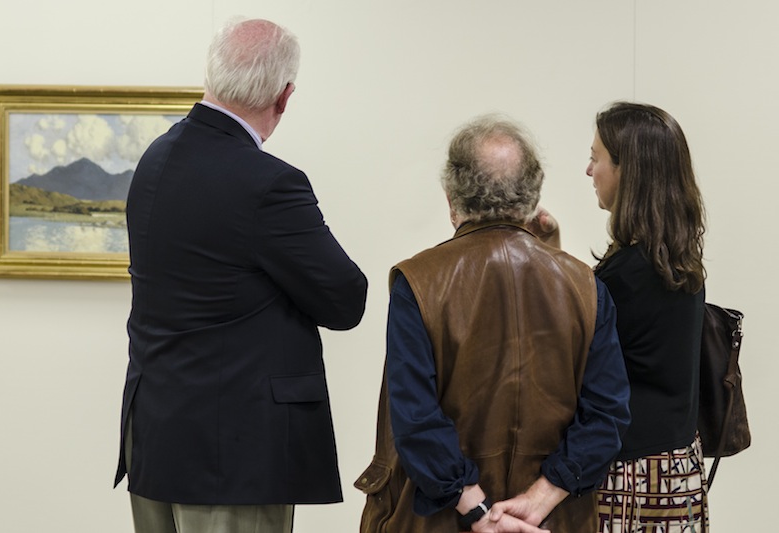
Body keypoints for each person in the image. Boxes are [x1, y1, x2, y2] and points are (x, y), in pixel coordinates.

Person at [113, 18, 368, 533]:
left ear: (212, 73)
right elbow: (346, 301)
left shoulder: (155, 158)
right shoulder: (268, 183)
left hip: (156, 438)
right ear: (285, 96)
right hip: (232, 454)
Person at [355, 115, 631, 532]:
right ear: (533, 195)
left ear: (452, 196)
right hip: (553, 521)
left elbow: (415, 417)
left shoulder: (418, 281)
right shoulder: (586, 287)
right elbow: (607, 415)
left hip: (440, 520)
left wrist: (480, 511)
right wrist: (537, 502)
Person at [584, 102, 709, 532]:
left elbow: (577, 356)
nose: (589, 170)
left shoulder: (625, 276)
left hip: (630, 478)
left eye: (596, 158)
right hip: (679, 471)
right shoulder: (678, 264)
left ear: (628, 171)